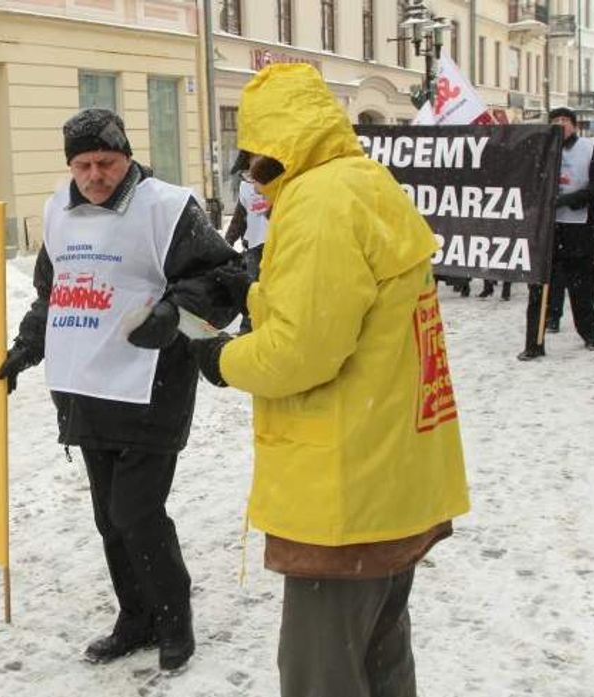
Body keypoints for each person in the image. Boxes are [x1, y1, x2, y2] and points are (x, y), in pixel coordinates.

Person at [188, 64, 470, 697]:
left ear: (273, 143)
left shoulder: (318, 203)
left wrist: (219, 358)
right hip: (394, 469)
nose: (248, 170)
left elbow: (301, 353)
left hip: (345, 487)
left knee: (321, 673)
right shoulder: (364, 182)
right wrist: (255, 291)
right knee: (380, 654)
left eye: (250, 152)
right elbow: (350, 314)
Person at [0, 108, 238, 671]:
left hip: (152, 385)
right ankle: (136, 617)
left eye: (105, 162)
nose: (95, 175)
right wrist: (27, 348)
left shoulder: (168, 207)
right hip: (85, 386)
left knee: (137, 510)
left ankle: (174, 617)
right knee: (109, 515)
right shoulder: (58, 210)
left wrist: (174, 313)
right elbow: (52, 294)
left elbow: (222, 280)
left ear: (126, 155)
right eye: (83, 165)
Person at [518, 107, 594, 360]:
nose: (560, 125)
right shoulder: (541, 147)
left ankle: (588, 332)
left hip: (577, 230)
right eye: (555, 121)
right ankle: (534, 342)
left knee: (579, 288)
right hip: (545, 230)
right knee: (539, 287)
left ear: (574, 125)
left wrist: (568, 200)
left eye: (565, 121)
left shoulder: (591, 148)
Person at [223, 150, 271, 333]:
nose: (250, 179)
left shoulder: (276, 186)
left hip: (274, 245)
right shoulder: (246, 189)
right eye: (246, 174)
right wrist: (226, 244)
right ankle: (247, 328)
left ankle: (265, 327)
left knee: (270, 290)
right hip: (253, 246)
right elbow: (239, 218)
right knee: (251, 289)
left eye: (252, 174)